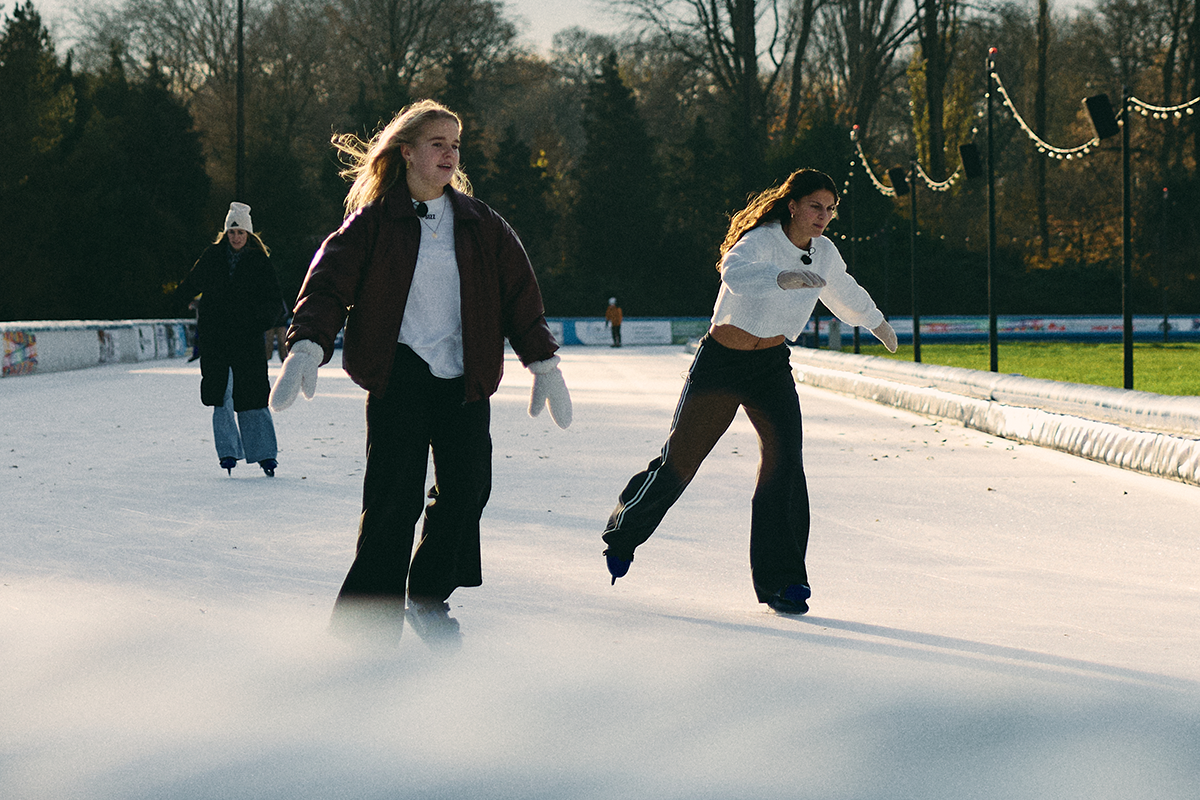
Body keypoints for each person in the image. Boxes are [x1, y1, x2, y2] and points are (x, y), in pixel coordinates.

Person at [269, 99, 572, 644]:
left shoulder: (482, 225)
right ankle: (366, 627)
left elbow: (520, 299)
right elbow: (328, 286)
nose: (450, 154)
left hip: (464, 379)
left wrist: (544, 362)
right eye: (438, 143)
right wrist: (309, 345)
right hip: (400, 375)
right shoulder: (373, 223)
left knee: (468, 490)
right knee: (394, 501)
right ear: (406, 152)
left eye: (456, 145)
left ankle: (428, 594)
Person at [600, 168, 897, 615]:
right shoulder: (761, 238)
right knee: (680, 459)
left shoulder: (825, 252)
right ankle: (624, 533)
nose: (824, 216)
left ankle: (786, 582)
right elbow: (734, 272)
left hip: (771, 366)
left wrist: (875, 320)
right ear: (793, 205)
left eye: (831, 209)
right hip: (723, 360)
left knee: (785, 466)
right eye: (816, 206)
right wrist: (781, 278)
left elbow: (843, 290)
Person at [176, 202, 282, 477]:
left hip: (247, 341)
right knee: (221, 396)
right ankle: (228, 452)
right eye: (232, 232)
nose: (236, 237)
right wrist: (174, 300)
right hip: (217, 340)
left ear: (248, 234)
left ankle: (265, 454)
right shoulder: (212, 257)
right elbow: (191, 283)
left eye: (241, 232)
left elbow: (274, 301)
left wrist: (259, 322)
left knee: (252, 396)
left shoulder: (259, 262)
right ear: (226, 233)